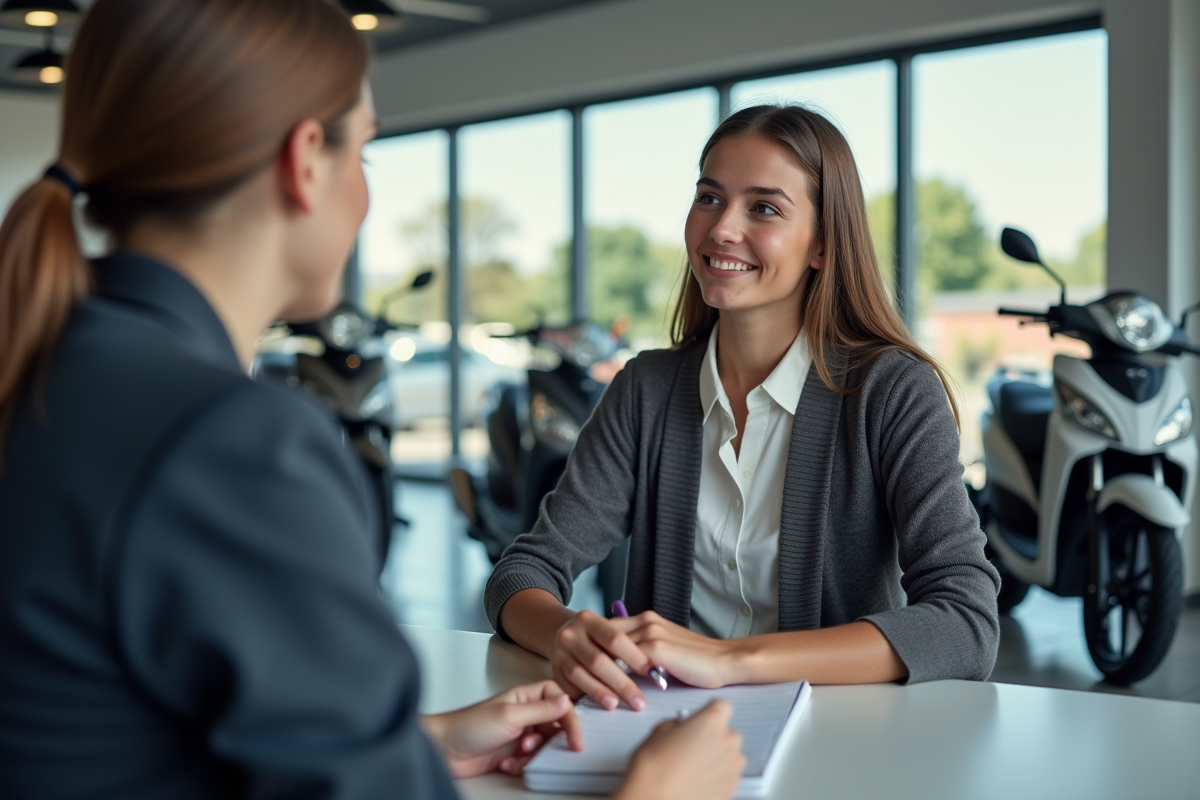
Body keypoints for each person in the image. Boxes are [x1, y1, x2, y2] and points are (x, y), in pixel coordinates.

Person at [0, 1, 745, 798]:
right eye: (368, 153)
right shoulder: (231, 442)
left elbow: (129, 727)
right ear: (306, 161)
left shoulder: (51, 371)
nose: (365, 195)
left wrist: (415, 743)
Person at [485, 105, 1002, 713]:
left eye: (763, 208)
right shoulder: (644, 389)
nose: (722, 228)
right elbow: (523, 572)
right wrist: (573, 636)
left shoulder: (892, 392)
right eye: (709, 198)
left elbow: (965, 621)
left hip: (839, 740)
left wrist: (728, 662)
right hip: (666, 733)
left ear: (822, 243)